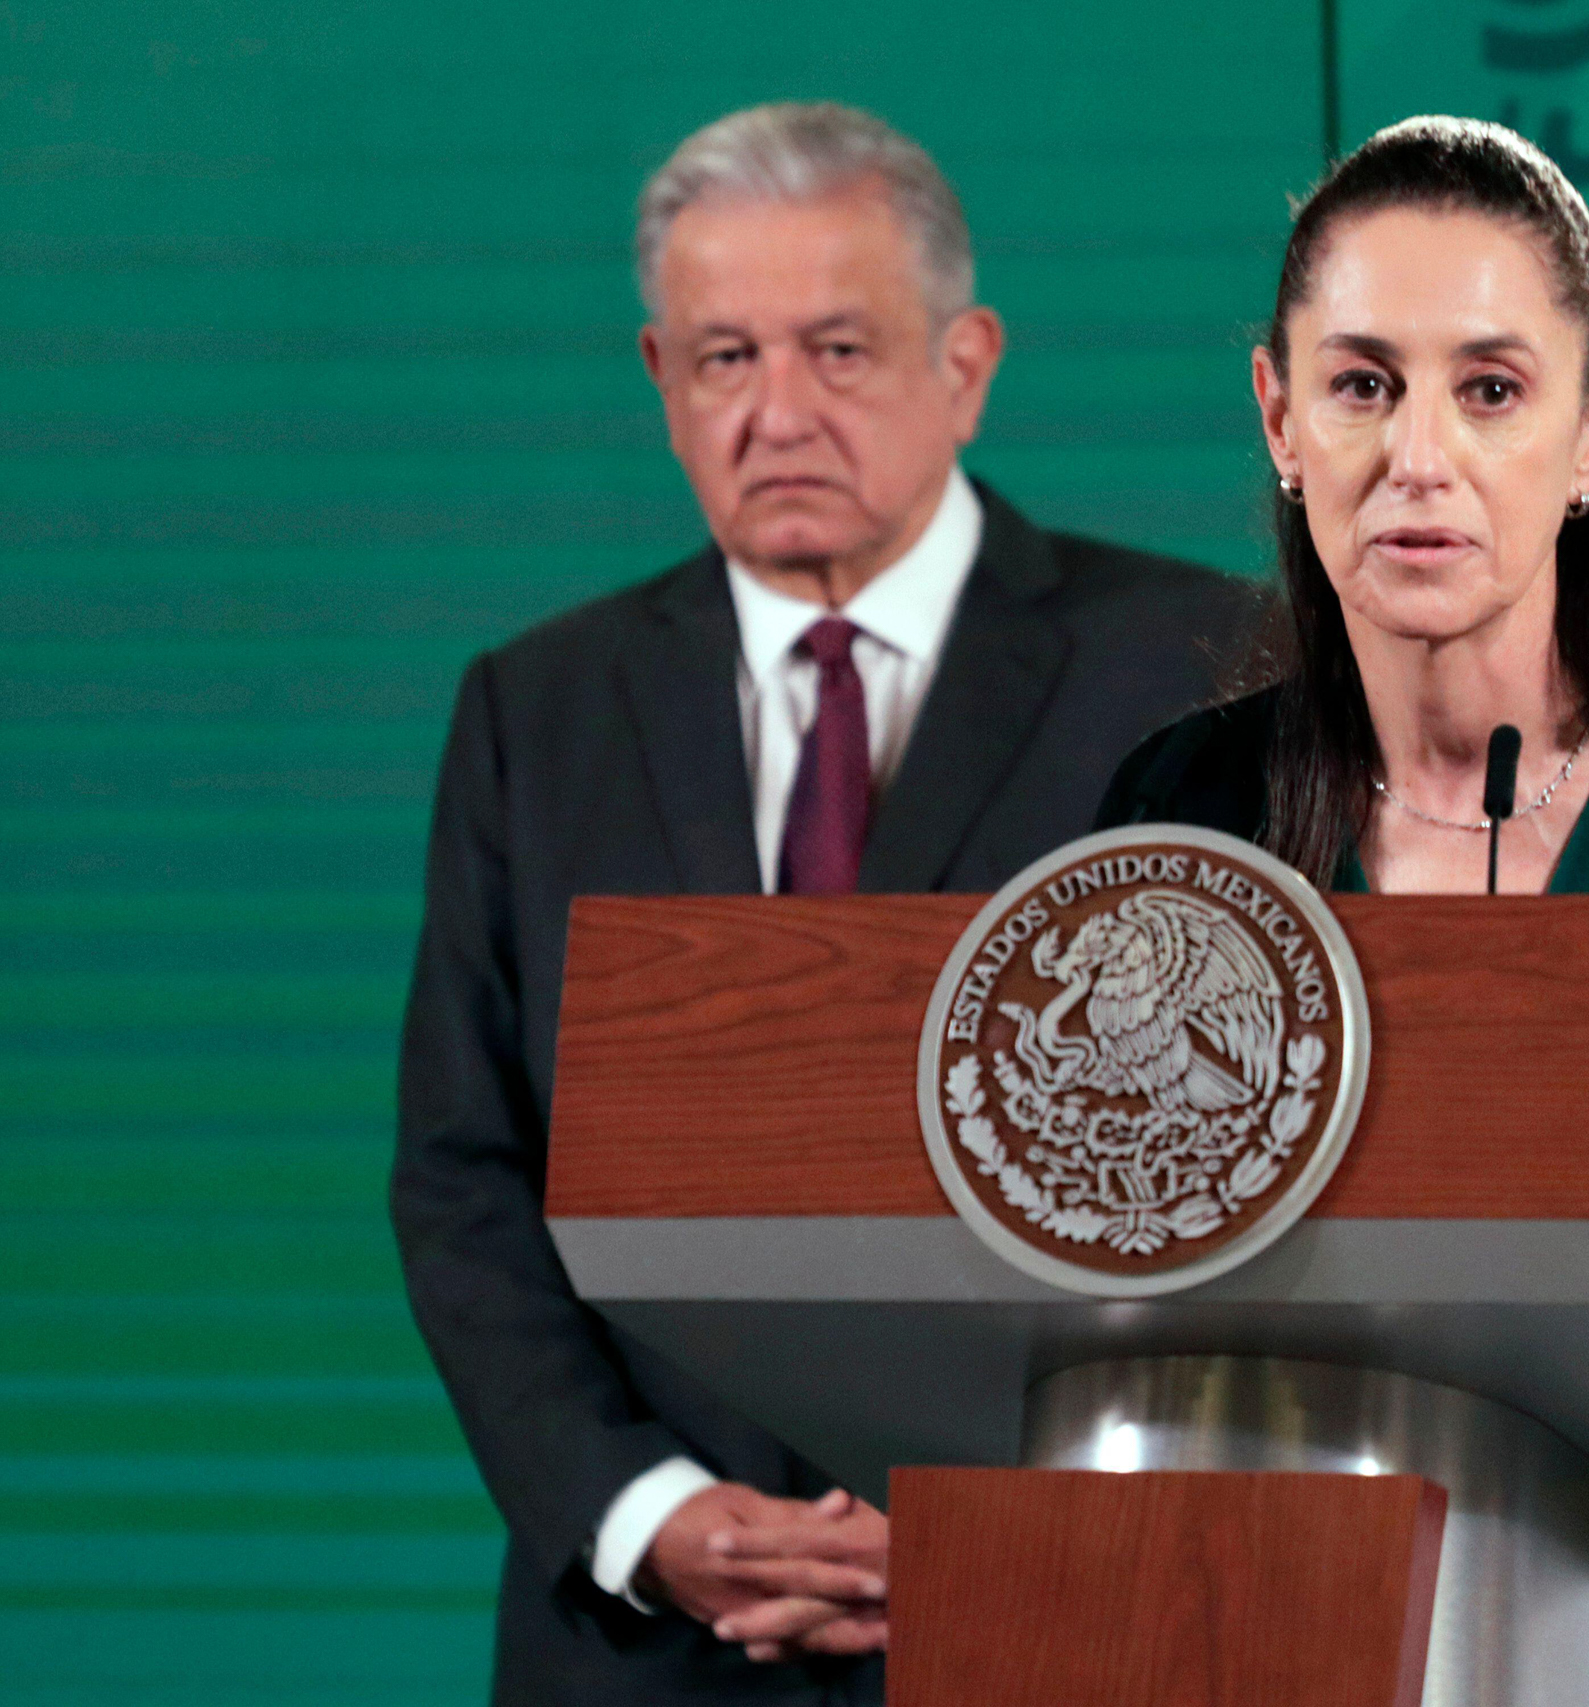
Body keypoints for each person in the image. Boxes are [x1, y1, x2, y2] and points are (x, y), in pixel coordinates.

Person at [393, 102, 1250, 1704]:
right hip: (649, 1642)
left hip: (1069, 1618)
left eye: (838, 351)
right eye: (724, 359)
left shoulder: (1196, 674)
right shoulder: (538, 709)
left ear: (968, 362)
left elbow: (1254, 1166)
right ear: (660, 379)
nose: (777, 412)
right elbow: (463, 1177)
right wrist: (646, 1511)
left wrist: (1008, 1517)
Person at [1095, 117, 1589, 1707]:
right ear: (1278, 414)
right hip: (1265, 1630)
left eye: (1490, 389)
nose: (1420, 457)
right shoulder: (1175, 813)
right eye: (1360, 384)